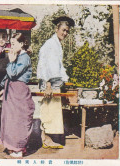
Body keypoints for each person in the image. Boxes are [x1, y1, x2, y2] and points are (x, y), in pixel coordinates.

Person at [36, 16, 75, 149]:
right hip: (49, 84)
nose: (65, 33)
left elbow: (58, 67)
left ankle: (49, 138)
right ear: (56, 28)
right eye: (63, 30)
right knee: (48, 110)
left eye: (67, 31)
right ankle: (46, 139)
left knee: (53, 111)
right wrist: (47, 85)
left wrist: (65, 80)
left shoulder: (57, 45)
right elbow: (43, 65)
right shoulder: (50, 44)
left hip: (55, 84)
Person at [0, 33, 35, 158]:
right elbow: (9, 76)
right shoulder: (19, 56)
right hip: (12, 90)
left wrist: (11, 61)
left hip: (19, 92)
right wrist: (4, 88)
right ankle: (12, 146)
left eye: (13, 44)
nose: (11, 46)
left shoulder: (24, 58)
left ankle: (18, 148)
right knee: (10, 119)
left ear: (21, 44)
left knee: (19, 119)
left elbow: (13, 73)